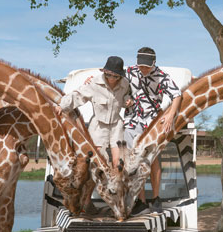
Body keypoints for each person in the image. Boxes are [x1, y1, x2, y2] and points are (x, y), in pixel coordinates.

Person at [55, 56, 131, 214]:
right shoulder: (94, 83)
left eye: (115, 76)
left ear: (120, 76)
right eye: (108, 75)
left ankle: (119, 201)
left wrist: (127, 101)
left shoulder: (125, 84)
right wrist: (62, 106)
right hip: (98, 126)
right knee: (96, 165)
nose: (111, 79)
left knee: (118, 164)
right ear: (104, 72)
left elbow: (125, 99)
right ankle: (87, 201)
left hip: (116, 124)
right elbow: (78, 96)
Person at [124, 47, 182, 215]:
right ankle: (141, 201)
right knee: (135, 160)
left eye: (146, 67)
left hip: (152, 120)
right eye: (141, 66)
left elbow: (177, 95)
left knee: (153, 159)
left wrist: (170, 115)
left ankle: (155, 199)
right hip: (132, 119)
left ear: (154, 63)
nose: (143, 69)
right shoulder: (129, 72)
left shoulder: (162, 76)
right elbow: (111, 81)